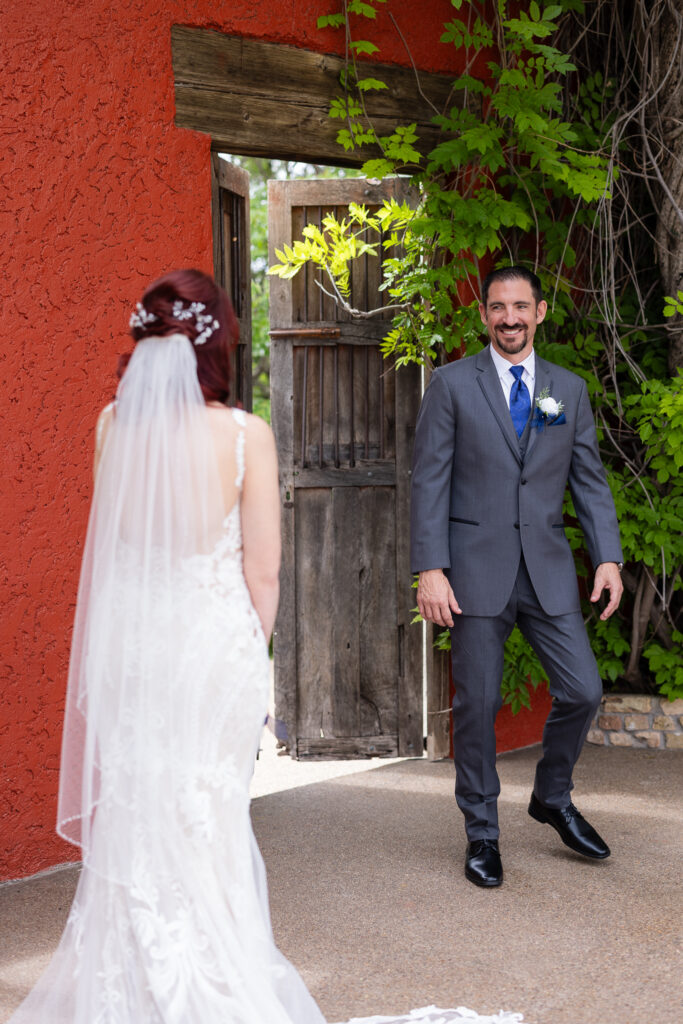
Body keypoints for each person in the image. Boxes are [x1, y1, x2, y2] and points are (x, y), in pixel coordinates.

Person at [8, 269, 524, 1024]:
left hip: (132, 656)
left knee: (139, 814)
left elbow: (115, 553)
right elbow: (263, 573)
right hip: (210, 654)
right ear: (220, 342)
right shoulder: (245, 437)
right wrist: (250, 663)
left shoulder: (110, 426)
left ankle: (129, 989)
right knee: (206, 816)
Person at [411, 266, 623, 889]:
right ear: (484, 315)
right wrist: (431, 569)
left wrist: (607, 557)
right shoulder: (451, 385)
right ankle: (482, 832)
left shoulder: (568, 390)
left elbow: (587, 478)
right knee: (477, 705)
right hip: (473, 571)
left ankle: (551, 796)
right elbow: (429, 482)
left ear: (541, 311)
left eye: (521, 307)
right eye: (498, 307)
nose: (510, 318)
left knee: (583, 690)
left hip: (549, 568)